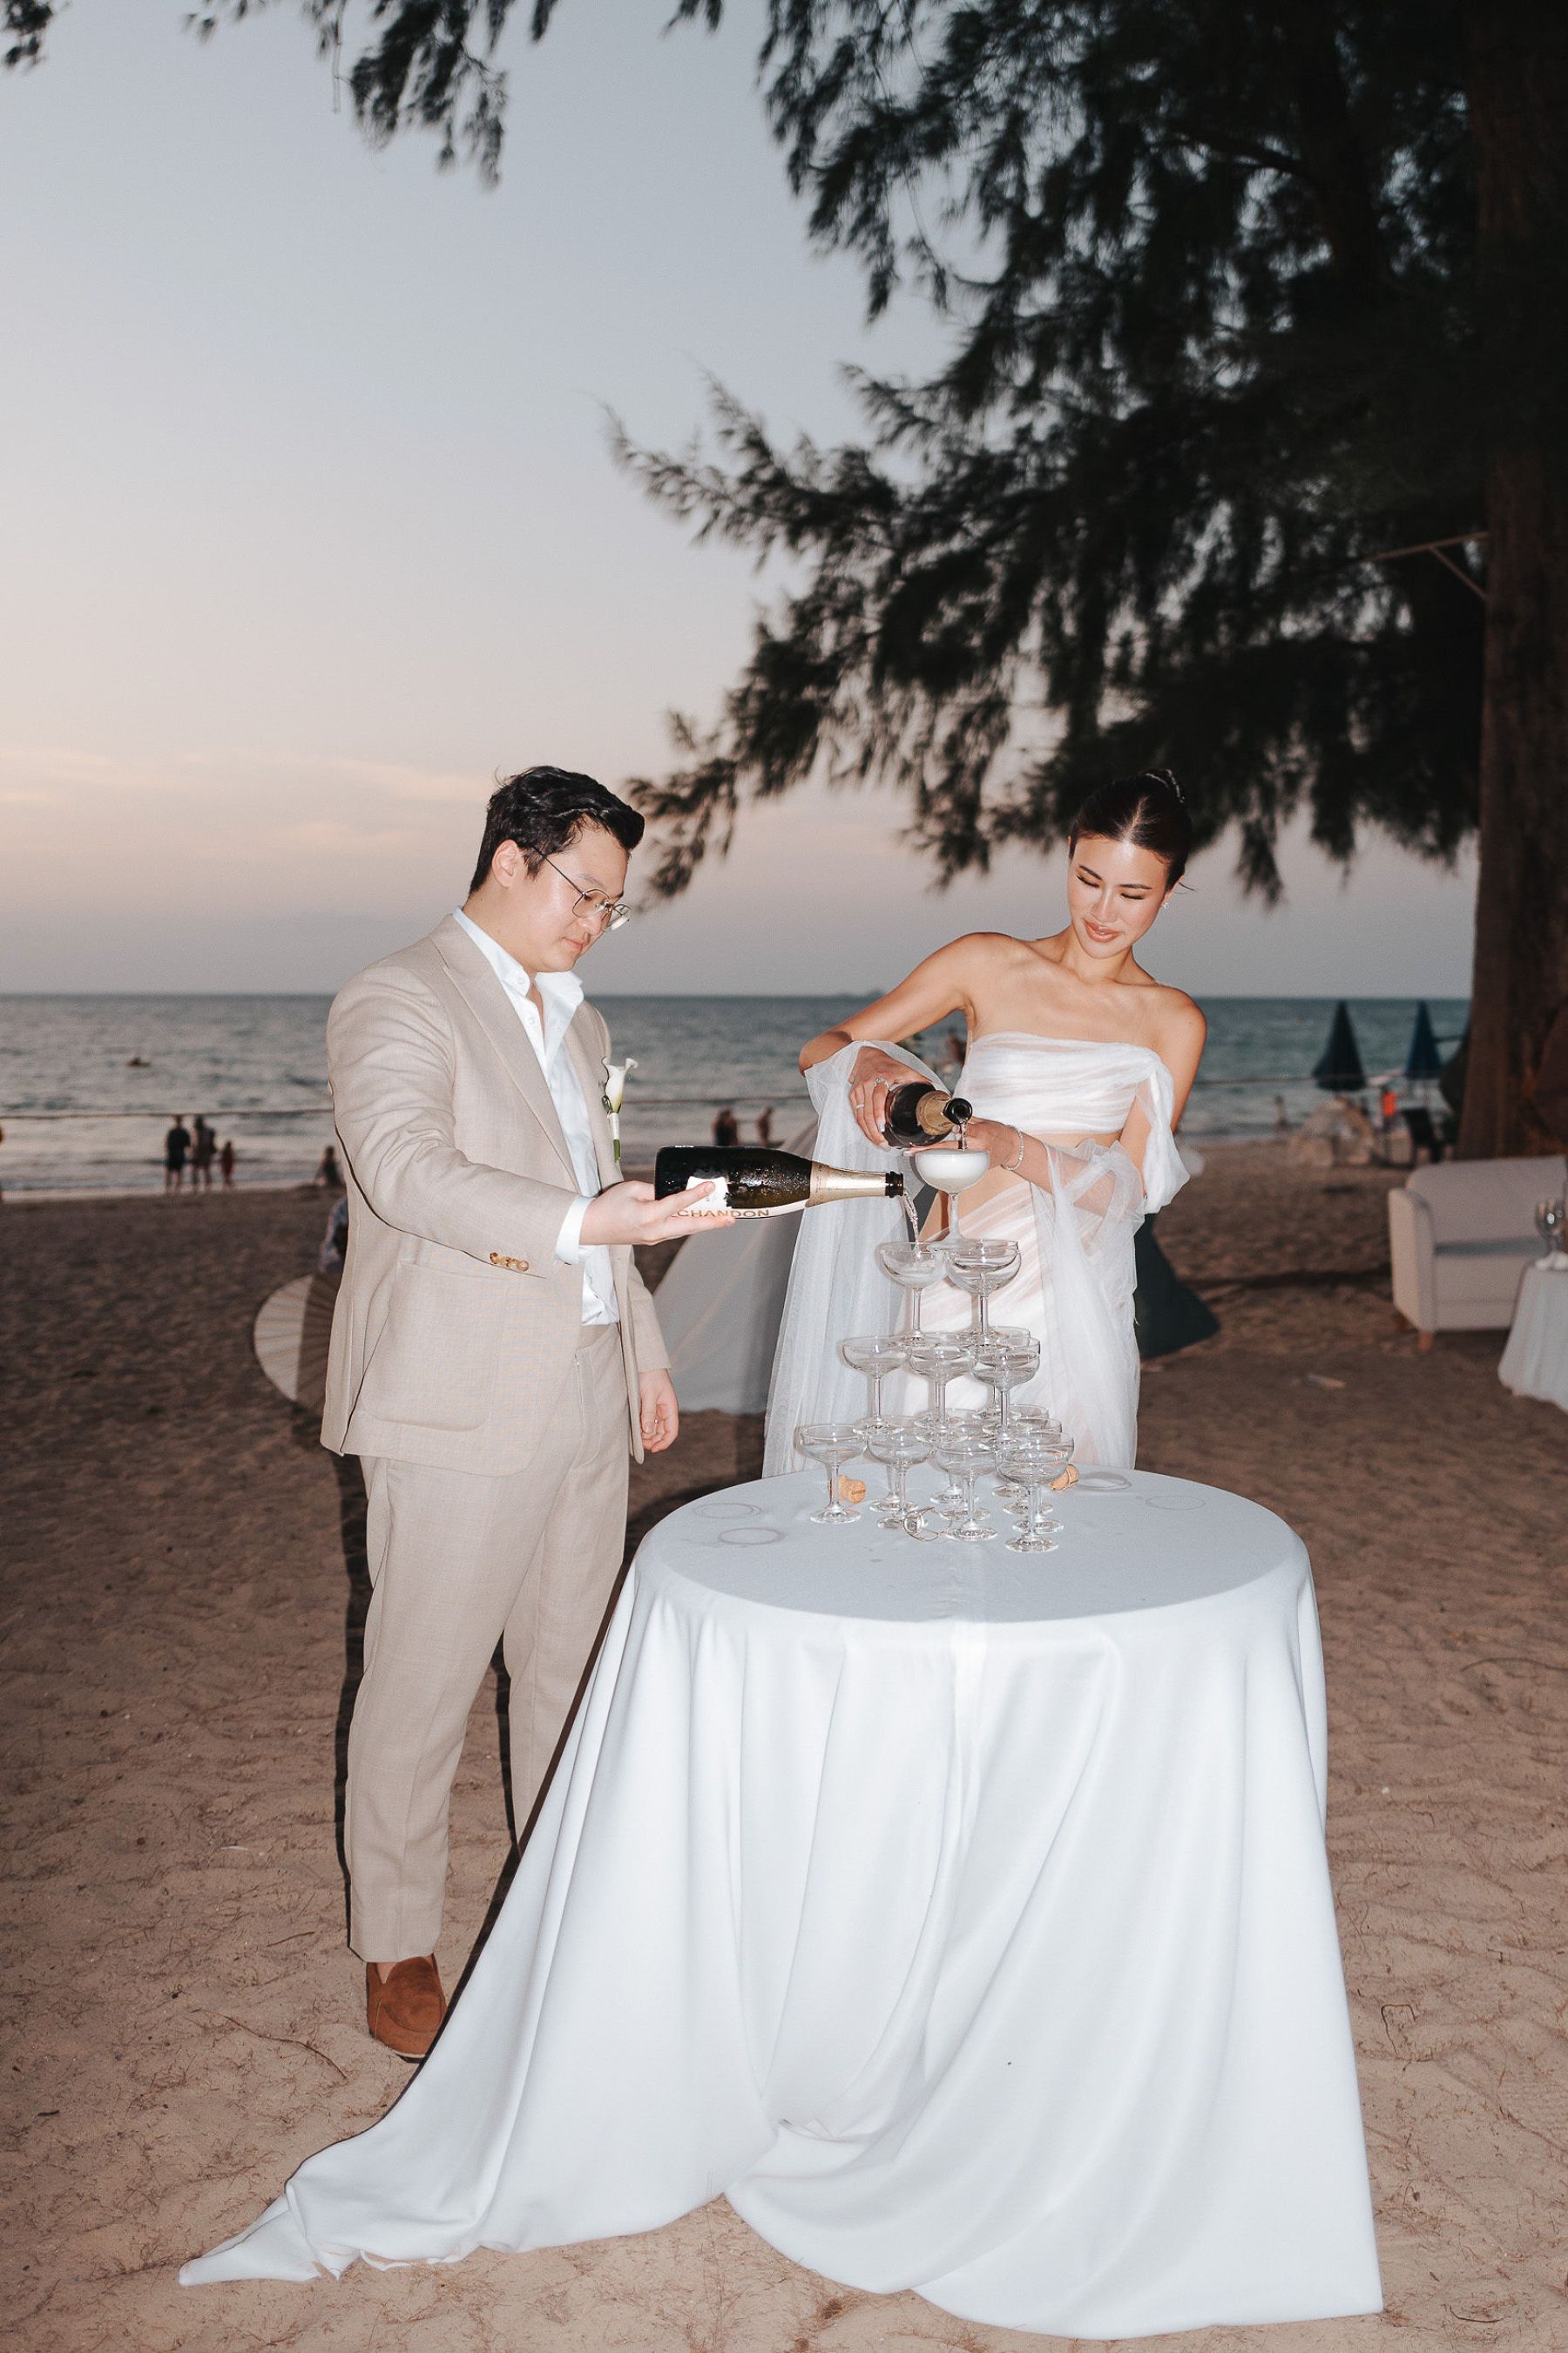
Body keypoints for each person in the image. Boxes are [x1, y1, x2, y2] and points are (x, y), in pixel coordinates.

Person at [319, 765, 733, 2060]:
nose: (595, 923)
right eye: (584, 892)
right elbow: (403, 1172)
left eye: (615, 905)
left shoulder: (583, 1028)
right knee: (422, 1683)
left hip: (583, 1387)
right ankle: (397, 1943)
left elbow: (602, 1185)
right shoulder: (396, 994)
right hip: (452, 1395)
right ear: (510, 857)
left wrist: (646, 1346)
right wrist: (578, 1222)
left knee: (566, 1672)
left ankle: (558, 1907)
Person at [781, 771, 1206, 1471]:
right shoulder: (986, 962)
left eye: (1133, 894)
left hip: (1074, 1307)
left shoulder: (1173, 1020)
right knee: (922, 1497)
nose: (1103, 911)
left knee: (1057, 1525)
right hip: (958, 1282)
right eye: (1088, 878)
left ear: (1169, 889)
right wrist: (867, 1068)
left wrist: (1012, 1146)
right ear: (1068, 853)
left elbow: (1126, 1194)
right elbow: (820, 1049)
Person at [163, 1116, 190, 1193]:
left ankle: (170, 1189)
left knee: (172, 1173)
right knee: (176, 1173)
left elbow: (167, 1144)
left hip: (175, 1154)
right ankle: (174, 1189)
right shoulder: (182, 1132)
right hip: (178, 1154)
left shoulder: (174, 1131)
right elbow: (188, 1145)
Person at [191, 1116, 217, 1192]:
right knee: (205, 1171)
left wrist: (195, 1150)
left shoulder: (202, 1132)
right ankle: (204, 1187)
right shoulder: (204, 1131)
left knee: (200, 1171)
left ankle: (201, 1187)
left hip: (202, 1154)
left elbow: (203, 1144)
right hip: (205, 1154)